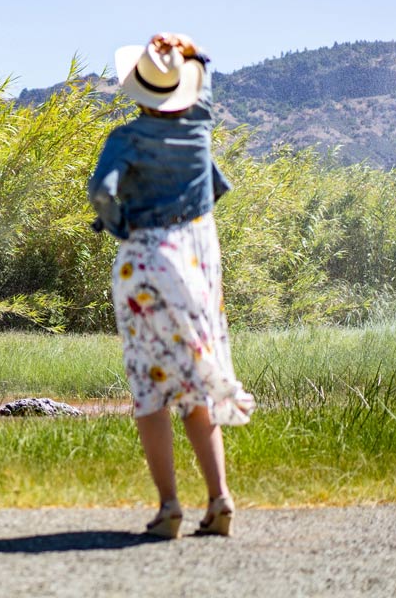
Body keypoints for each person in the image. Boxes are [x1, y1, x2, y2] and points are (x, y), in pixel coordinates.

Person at [88, 32, 255, 539]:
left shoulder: (126, 139)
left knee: (150, 388)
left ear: (138, 88)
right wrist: (192, 58)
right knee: (197, 384)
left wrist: (117, 225)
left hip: (141, 267)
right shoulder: (199, 135)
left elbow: (103, 192)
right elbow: (203, 109)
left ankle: (169, 507)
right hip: (193, 270)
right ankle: (220, 498)